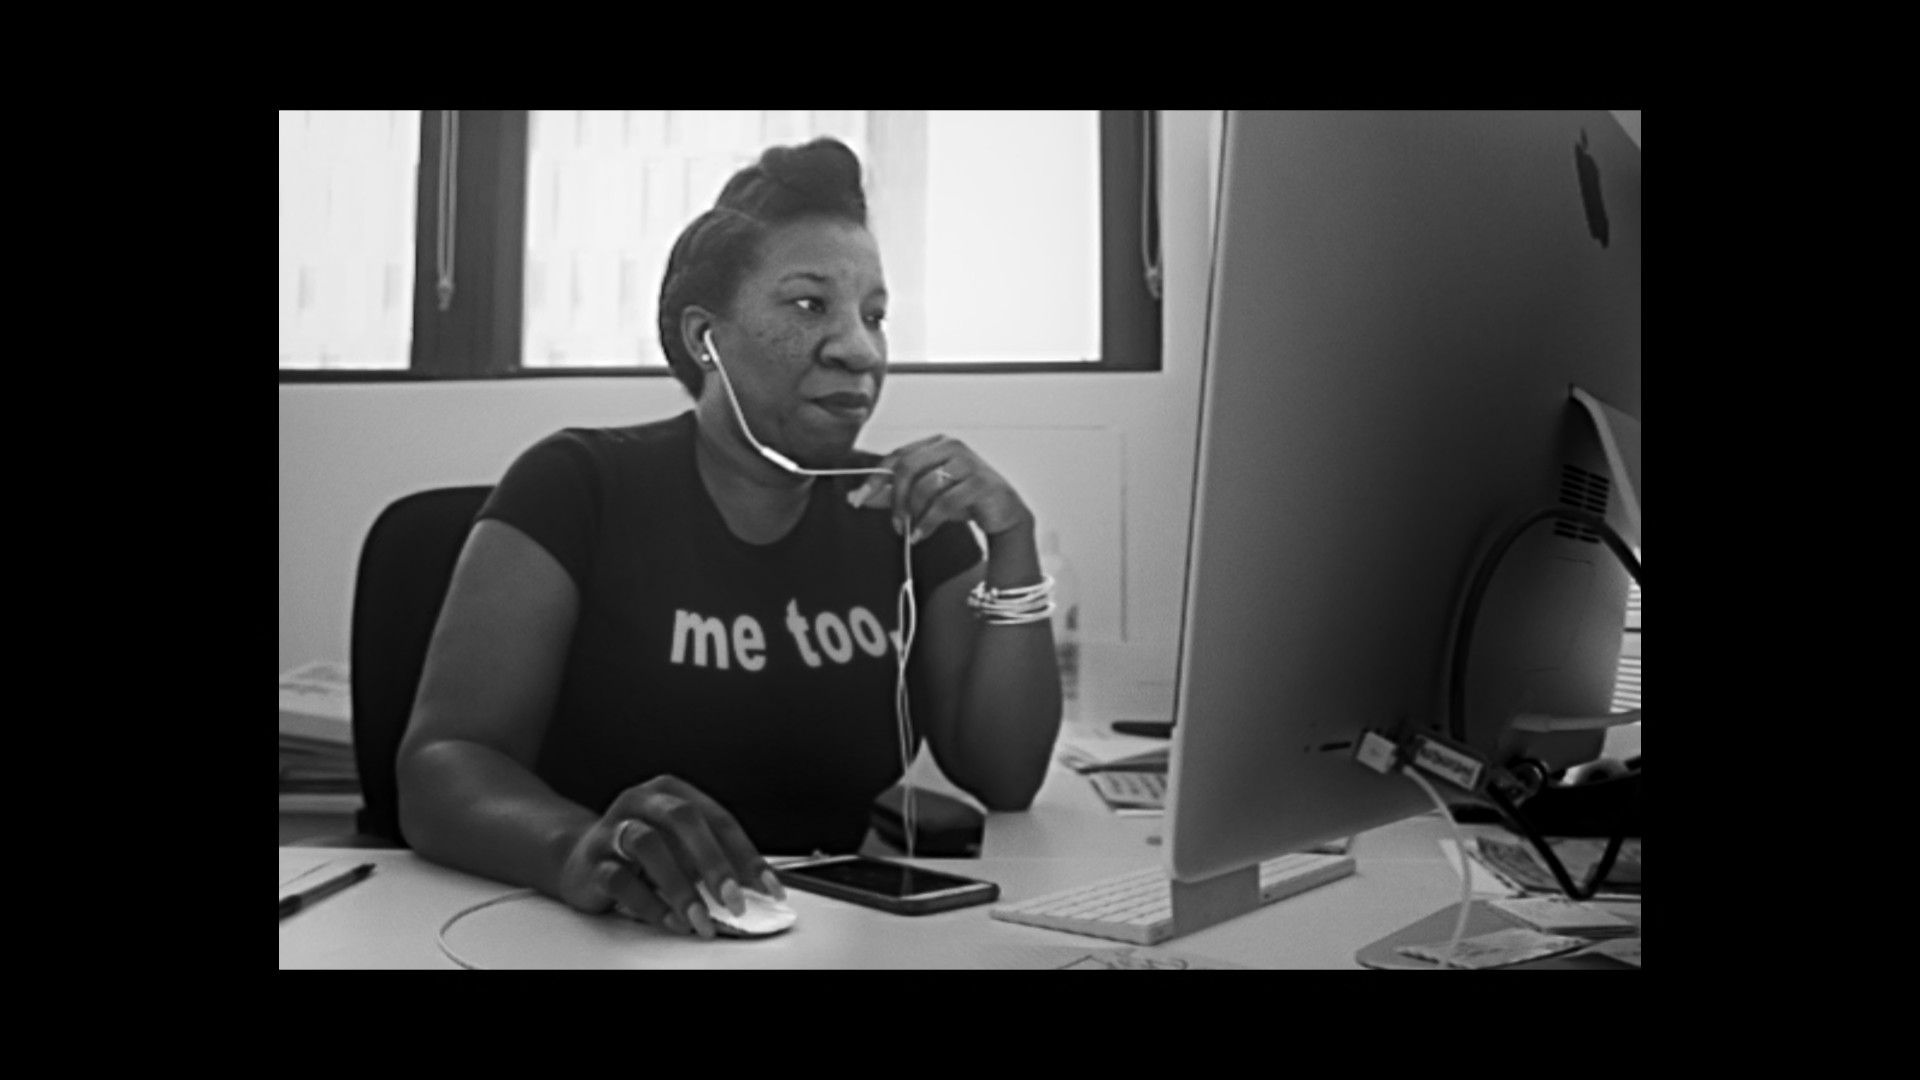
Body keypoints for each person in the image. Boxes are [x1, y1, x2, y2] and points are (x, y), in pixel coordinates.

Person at [397, 137, 1063, 940]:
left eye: (875, 315)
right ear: (705, 337)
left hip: (830, 941)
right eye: (810, 304)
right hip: (595, 934)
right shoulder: (577, 485)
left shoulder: (903, 514)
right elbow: (443, 765)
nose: (859, 348)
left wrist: (1012, 541)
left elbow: (1007, 776)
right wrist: (574, 848)